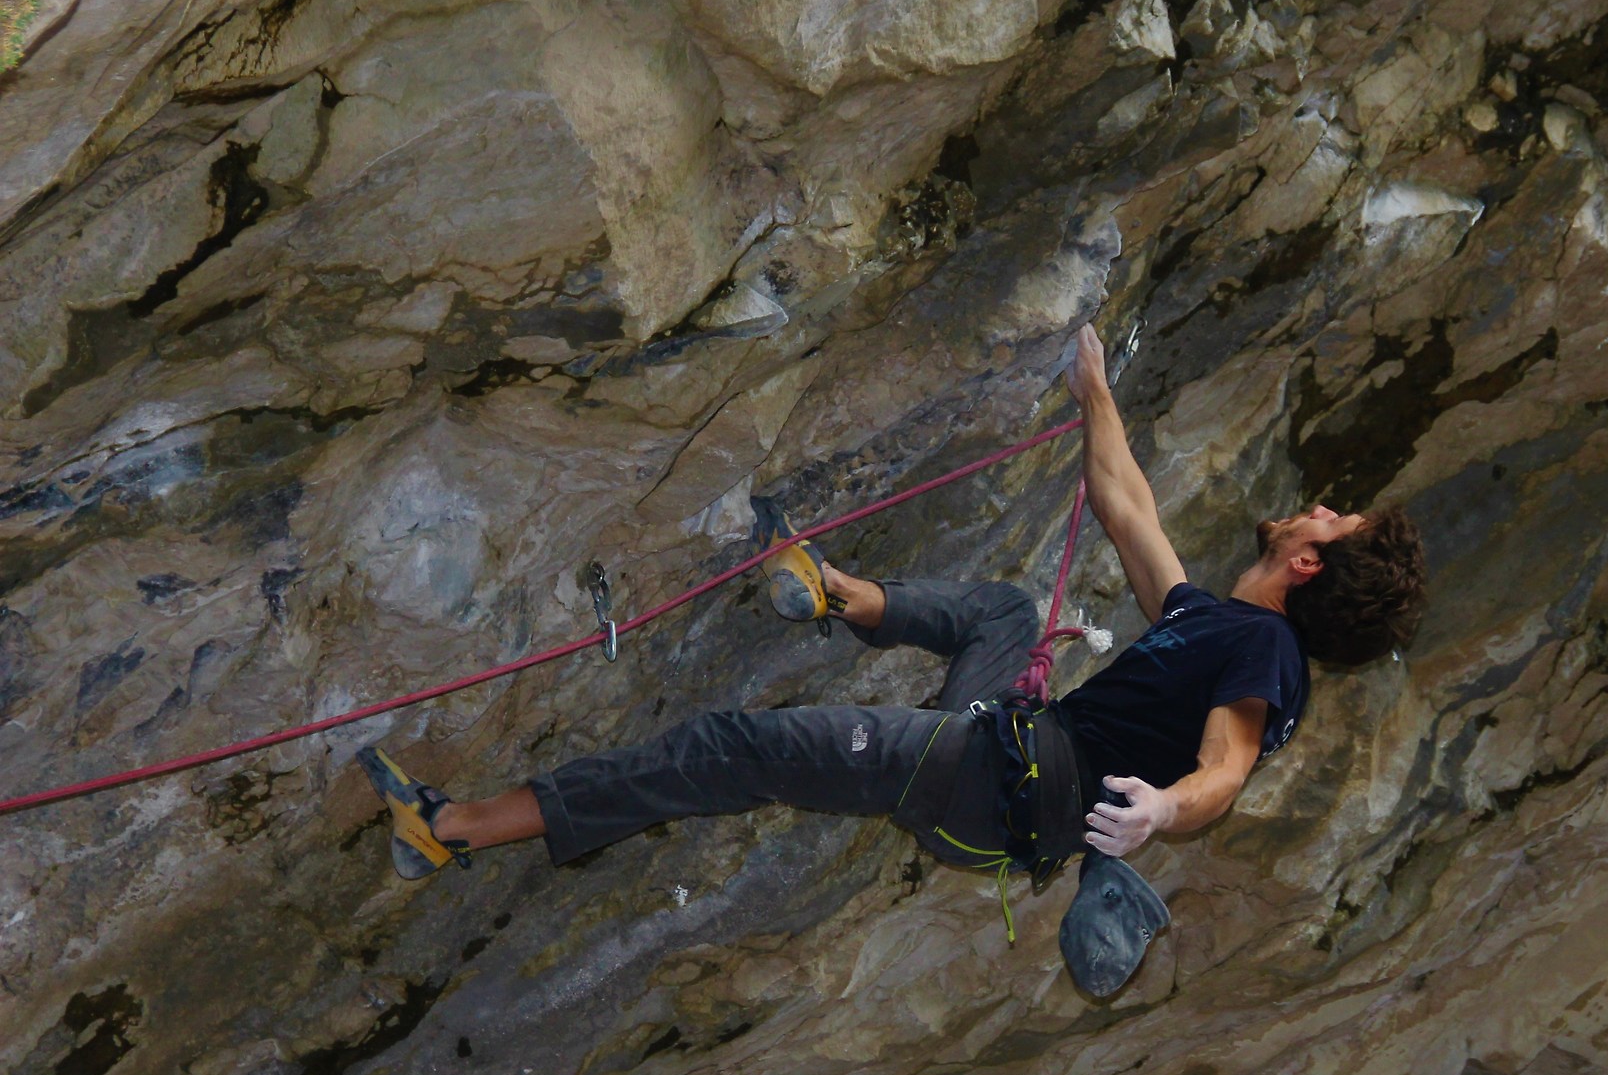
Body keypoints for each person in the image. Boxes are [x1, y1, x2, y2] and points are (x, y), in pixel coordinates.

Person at [356, 324, 1426, 983]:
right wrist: (1095, 388)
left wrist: (1163, 811)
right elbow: (1125, 504)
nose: (1318, 508)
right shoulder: (1216, 621)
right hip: (1006, 762)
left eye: (1334, 521)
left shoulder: (1268, 659)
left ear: (1311, 567)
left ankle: (449, 827)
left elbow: (1227, 768)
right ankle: (833, 592)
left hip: (998, 780)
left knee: (738, 748)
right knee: (1008, 613)